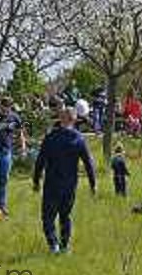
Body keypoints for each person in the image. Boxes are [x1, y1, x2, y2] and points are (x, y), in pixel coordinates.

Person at [33, 107, 96, 254]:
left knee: (48, 216)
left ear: (60, 119)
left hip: (51, 184)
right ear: (74, 120)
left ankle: (53, 243)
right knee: (65, 215)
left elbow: (40, 161)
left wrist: (36, 180)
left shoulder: (50, 137)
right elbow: (88, 163)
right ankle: (64, 245)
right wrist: (93, 184)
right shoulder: (79, 139)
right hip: (69, 185)